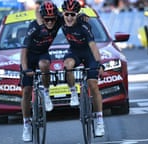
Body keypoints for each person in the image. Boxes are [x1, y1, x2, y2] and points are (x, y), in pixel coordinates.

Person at [61, 0, 105, 136]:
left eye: (72, 15)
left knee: (93, 84)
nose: (69, 17)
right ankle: (74, 93)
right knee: (68, 65)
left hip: (89, 53)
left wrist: (99, 63)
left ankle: (99, 120)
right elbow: (42, 14)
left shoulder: (84, 25)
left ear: (77, 14)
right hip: (74, 51)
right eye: (66, 14)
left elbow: (93, 46)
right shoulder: (60, 19)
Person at [20, 1, 61, 142]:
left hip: (42, 53)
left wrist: (83, 16)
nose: (50, 22)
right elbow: (24, 50)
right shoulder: (35, 27)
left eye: (52, 19)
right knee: (26, 91)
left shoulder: (59, 19)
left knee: (44, 64)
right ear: (42, 18)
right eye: (47, 19)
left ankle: (46, 93)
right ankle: (26, 124)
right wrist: (25, 69)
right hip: (29, 56)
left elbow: (72, 16)